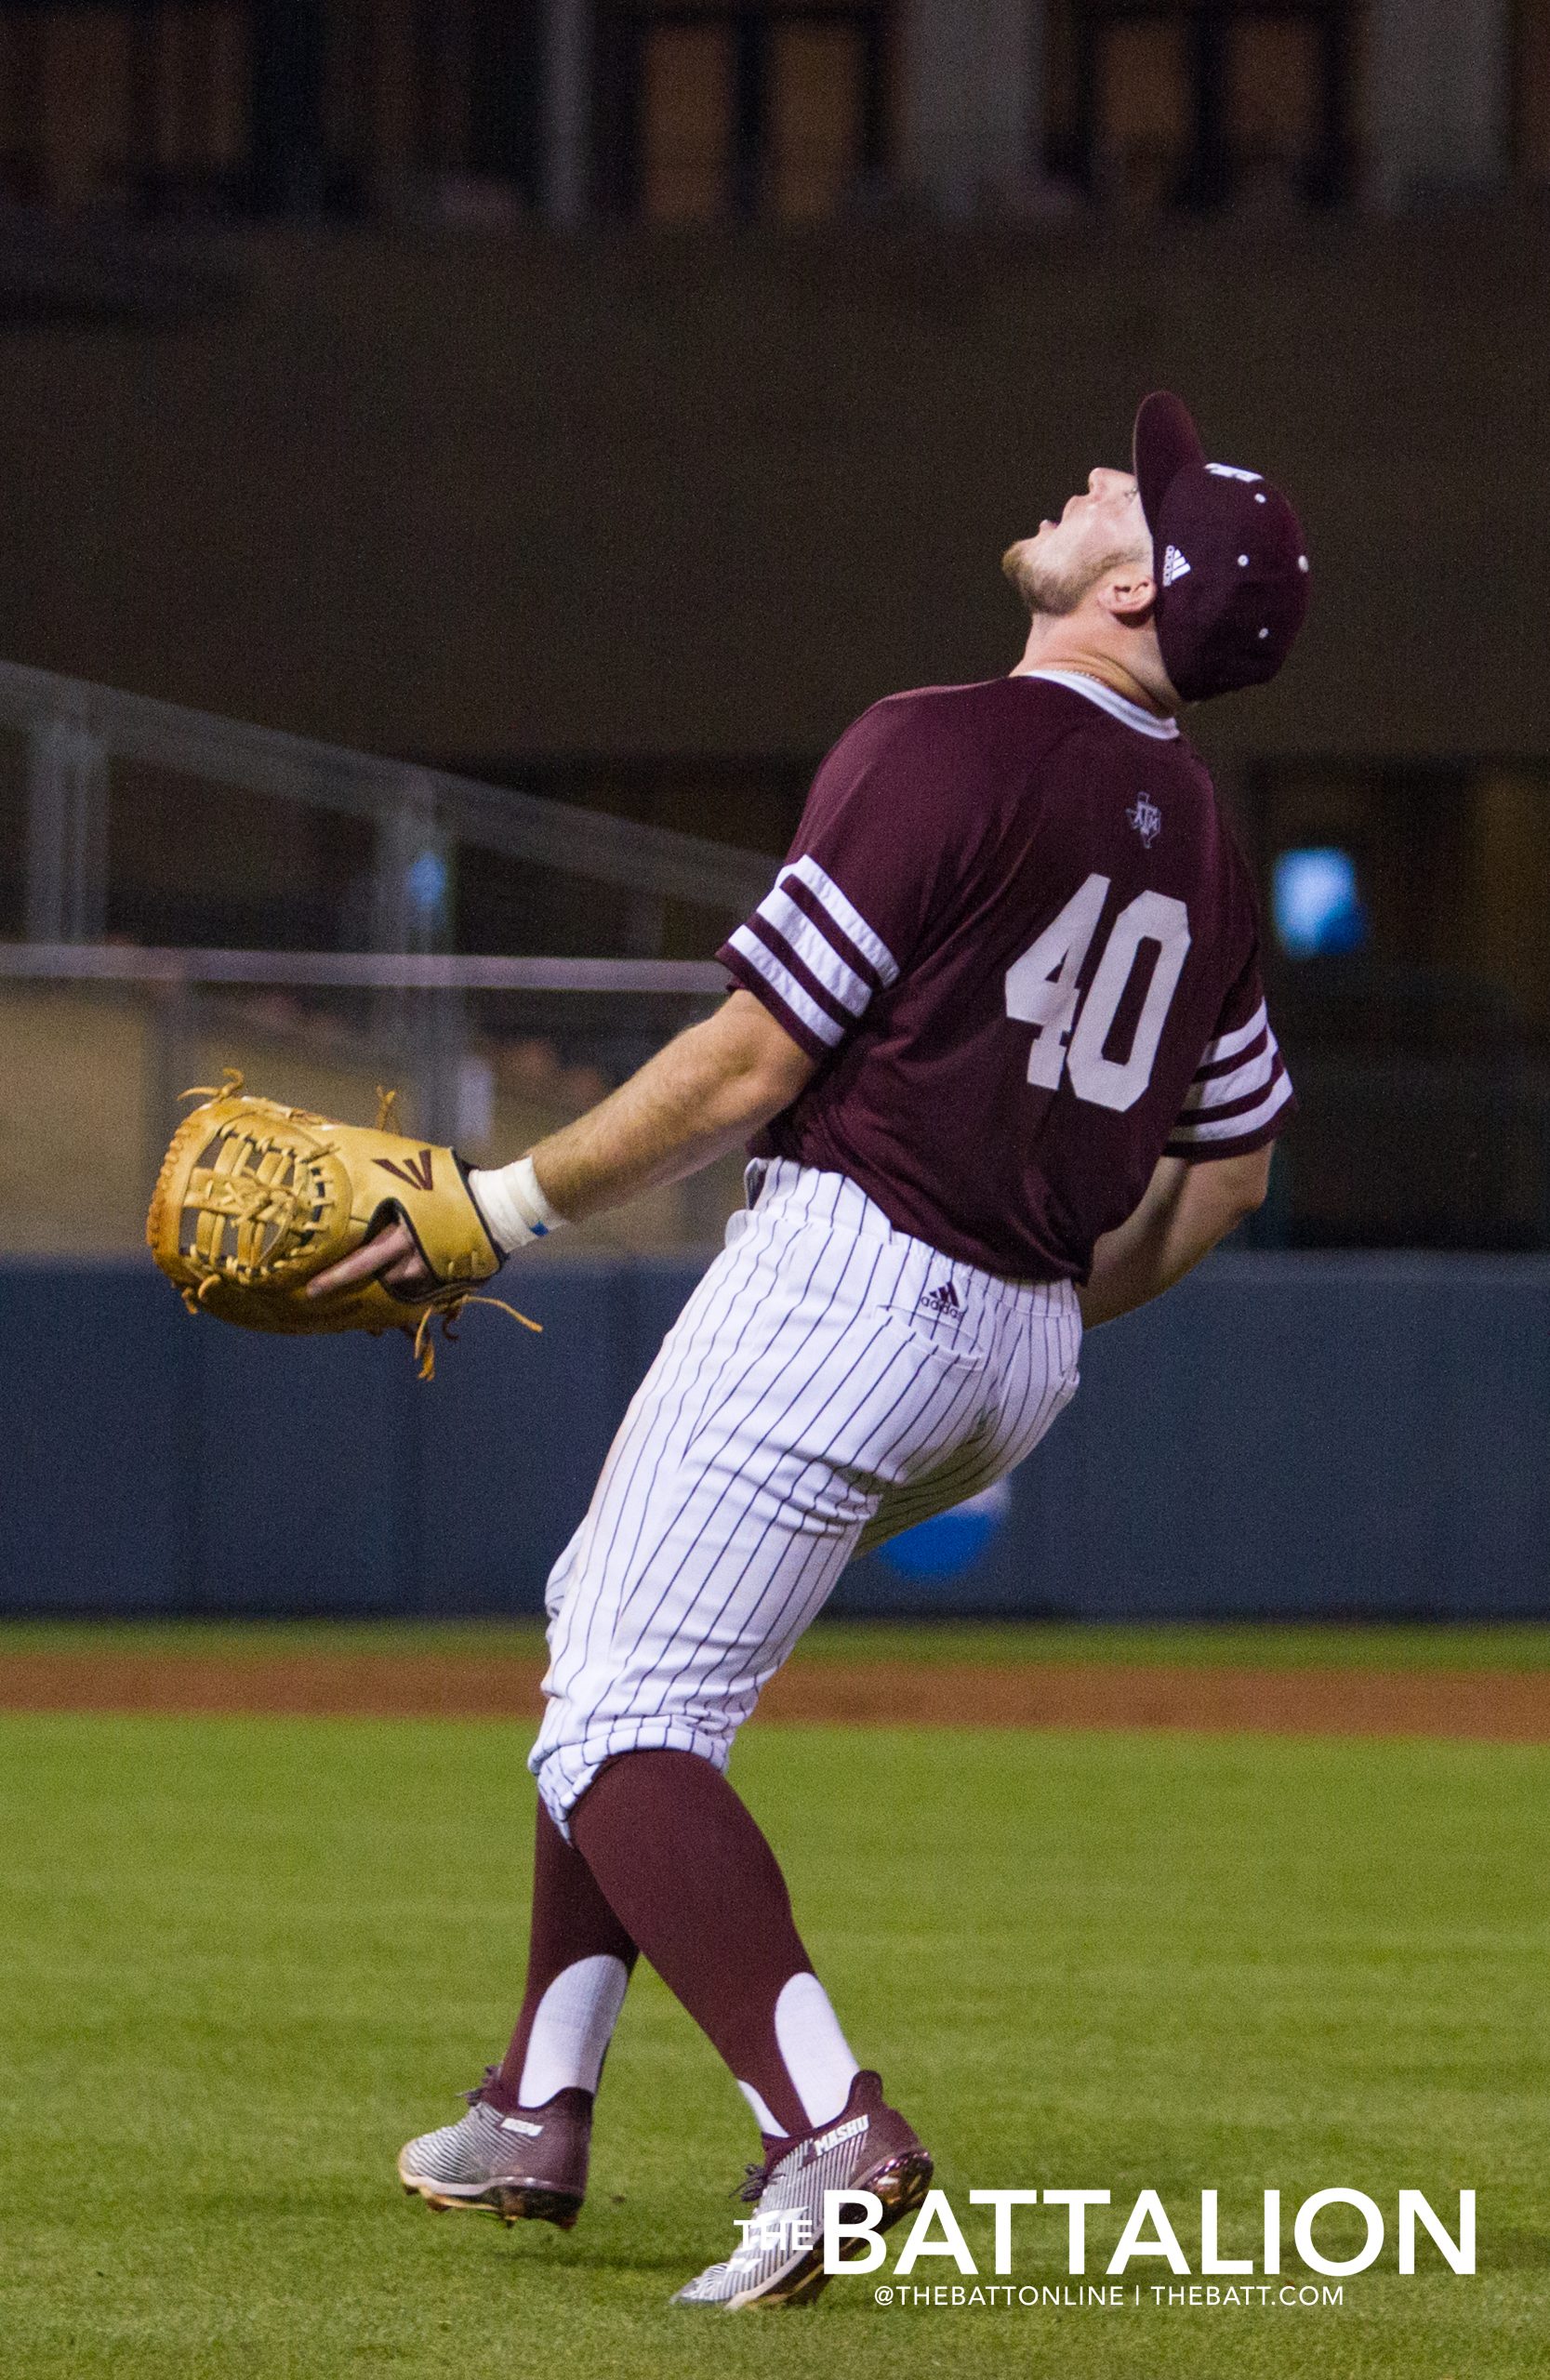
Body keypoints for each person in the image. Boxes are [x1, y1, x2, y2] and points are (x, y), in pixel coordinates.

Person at [311, 391, 1309, 2309]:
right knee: (615, 1625)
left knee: (621, 1716)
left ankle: (825, 2119)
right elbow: (1234, 1174)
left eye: (1136, 490)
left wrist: (491, 1208)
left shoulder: (938, 742)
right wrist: (1039, 1287)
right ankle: (538, 2096)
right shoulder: (1206, 841)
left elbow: (749, 1064)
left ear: (1133, 583)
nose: (1103, 478)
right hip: (1013, 1343)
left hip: (854, 1277)